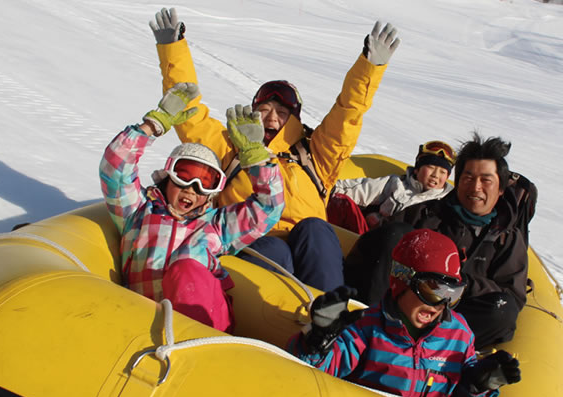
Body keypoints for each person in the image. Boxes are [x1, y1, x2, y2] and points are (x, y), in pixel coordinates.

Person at [148, 7, 401, 291]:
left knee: (316, 229)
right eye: (264, 109)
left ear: (294, 118)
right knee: (273, 249)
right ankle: (279, 320)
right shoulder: (230, 148)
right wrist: (172, 49)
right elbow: (190, 110)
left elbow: (348, 113)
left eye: (281, 112)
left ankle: (333, 313)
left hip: (309, 245)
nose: (271, 118)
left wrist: (370, 67)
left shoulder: (314, 153)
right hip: (252, 241)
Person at [99, 82, 284, 332]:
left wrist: (256, 157)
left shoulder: (214, 227)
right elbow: (115, 167)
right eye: (184, 174)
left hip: (202, 324)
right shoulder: (139, 211)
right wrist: (153, 125)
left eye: (206, 182)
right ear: (167, 176)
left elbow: (269, 207)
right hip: (144, 323)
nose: (192, 188)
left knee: (186, 269)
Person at [288, 229, 521, 397]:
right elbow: (315, 371)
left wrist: (482, 381)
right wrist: (319, 339)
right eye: (433, 290)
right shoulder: (367, 328)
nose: (441, 304)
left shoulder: (457, 335)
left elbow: (459, 385)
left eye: (452, 294)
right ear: (402, 281)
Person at [344, 132, 531, 349]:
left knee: (502, 309)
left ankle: (440, 355)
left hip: (451, 328)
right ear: (458, 182)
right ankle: (372, 333)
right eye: (468, 178)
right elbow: (373, 251)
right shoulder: (424, 214)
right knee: (395, 234)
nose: (476, 187)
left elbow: (512, 296)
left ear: (500, 189)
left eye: (485, 180)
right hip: (400, 307)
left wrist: (459, 284)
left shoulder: (507, 238)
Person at [327, 140, 455, 233]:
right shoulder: (398, 184)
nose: (435, 175)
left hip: (413, 251)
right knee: (339, 202)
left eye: (443, 172)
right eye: (431, 168)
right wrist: (328, 187)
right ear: (417, 169)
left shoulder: (448, 201)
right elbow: (362, 190)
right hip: (378, 239)